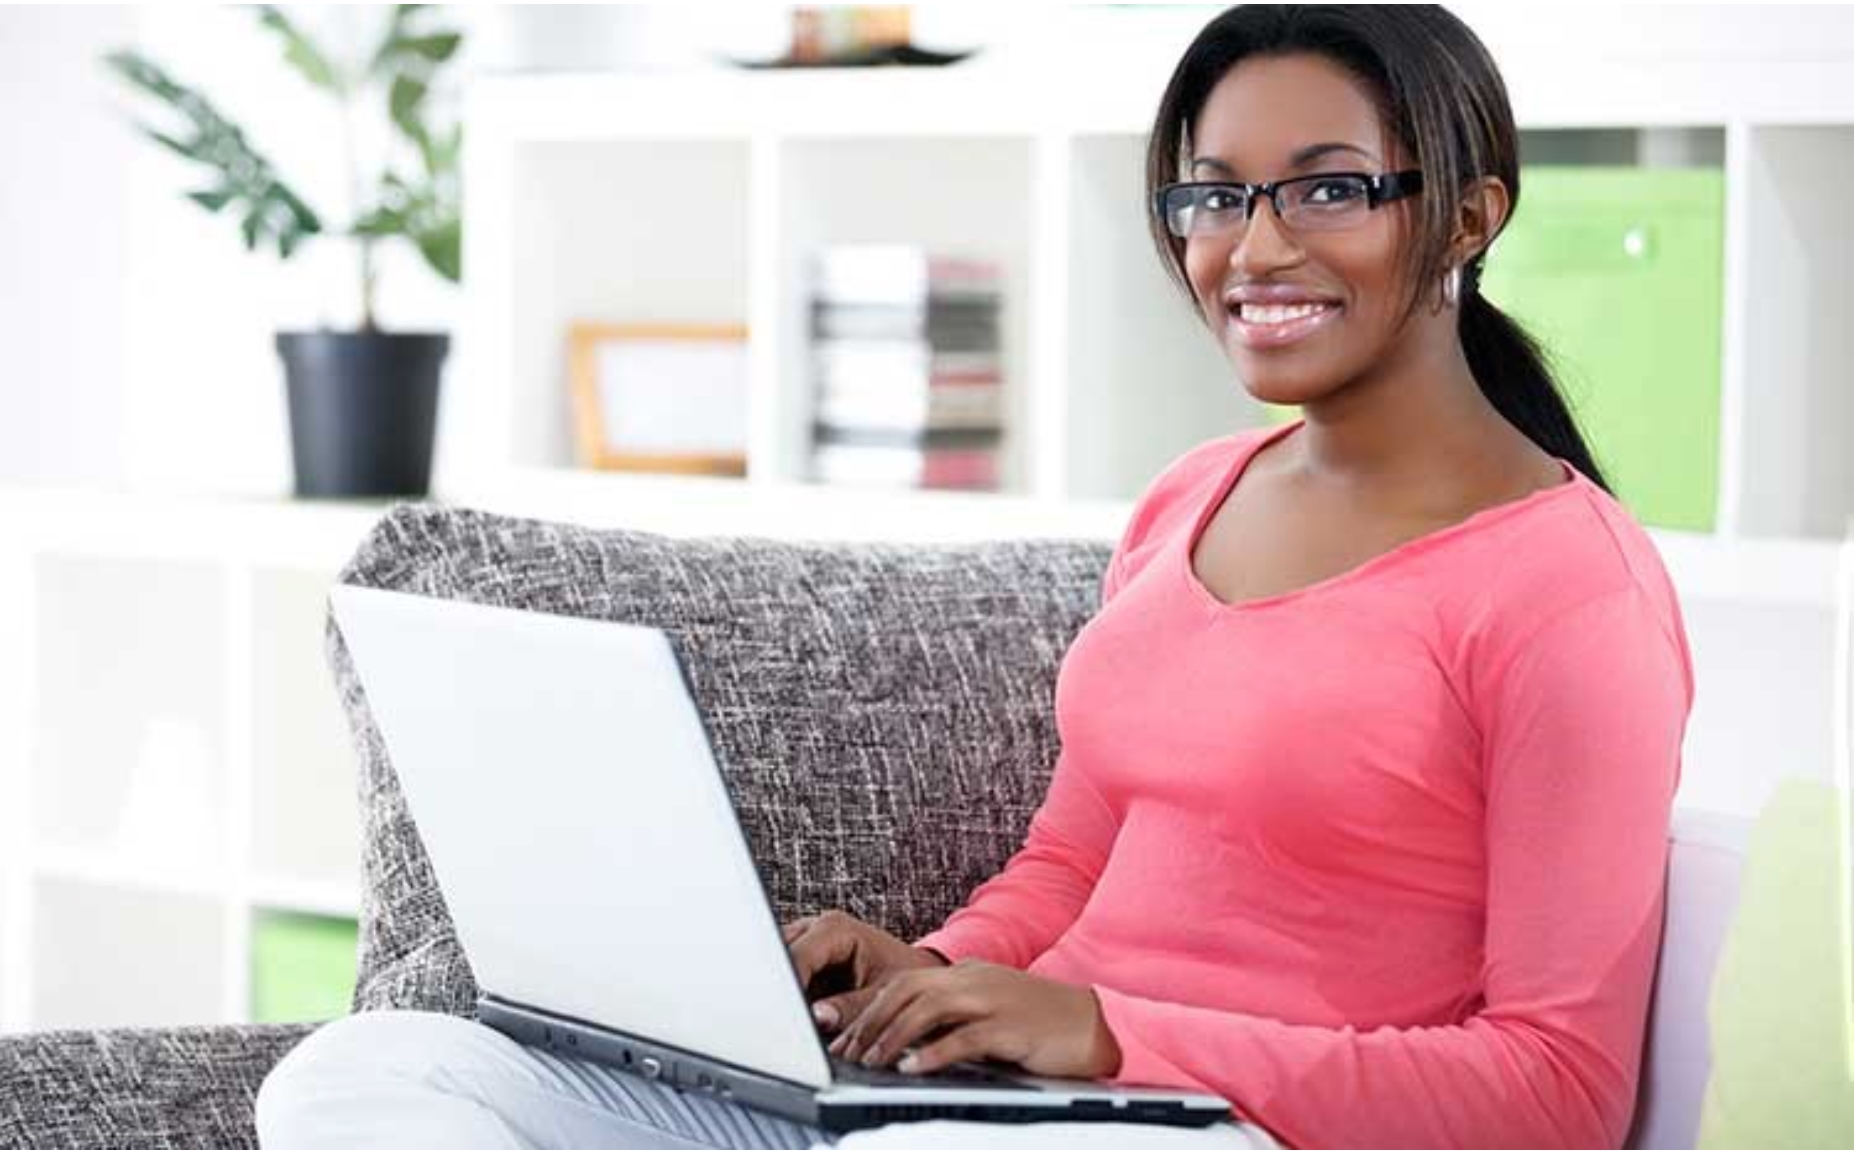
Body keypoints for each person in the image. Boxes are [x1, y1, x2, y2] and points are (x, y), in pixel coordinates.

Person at [256, 5, 1692, 1149]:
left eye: (1327, 189)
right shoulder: (1194, 499)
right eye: (1211, 193)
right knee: (379, 1071)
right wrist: (926, 974)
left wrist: (1107, 1032)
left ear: (1468, 213)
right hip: (1003, 1107)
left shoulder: (1568, 591)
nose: (1254, 247)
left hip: (1228, 1126)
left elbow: (1555, 1094)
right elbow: (1074, 856)